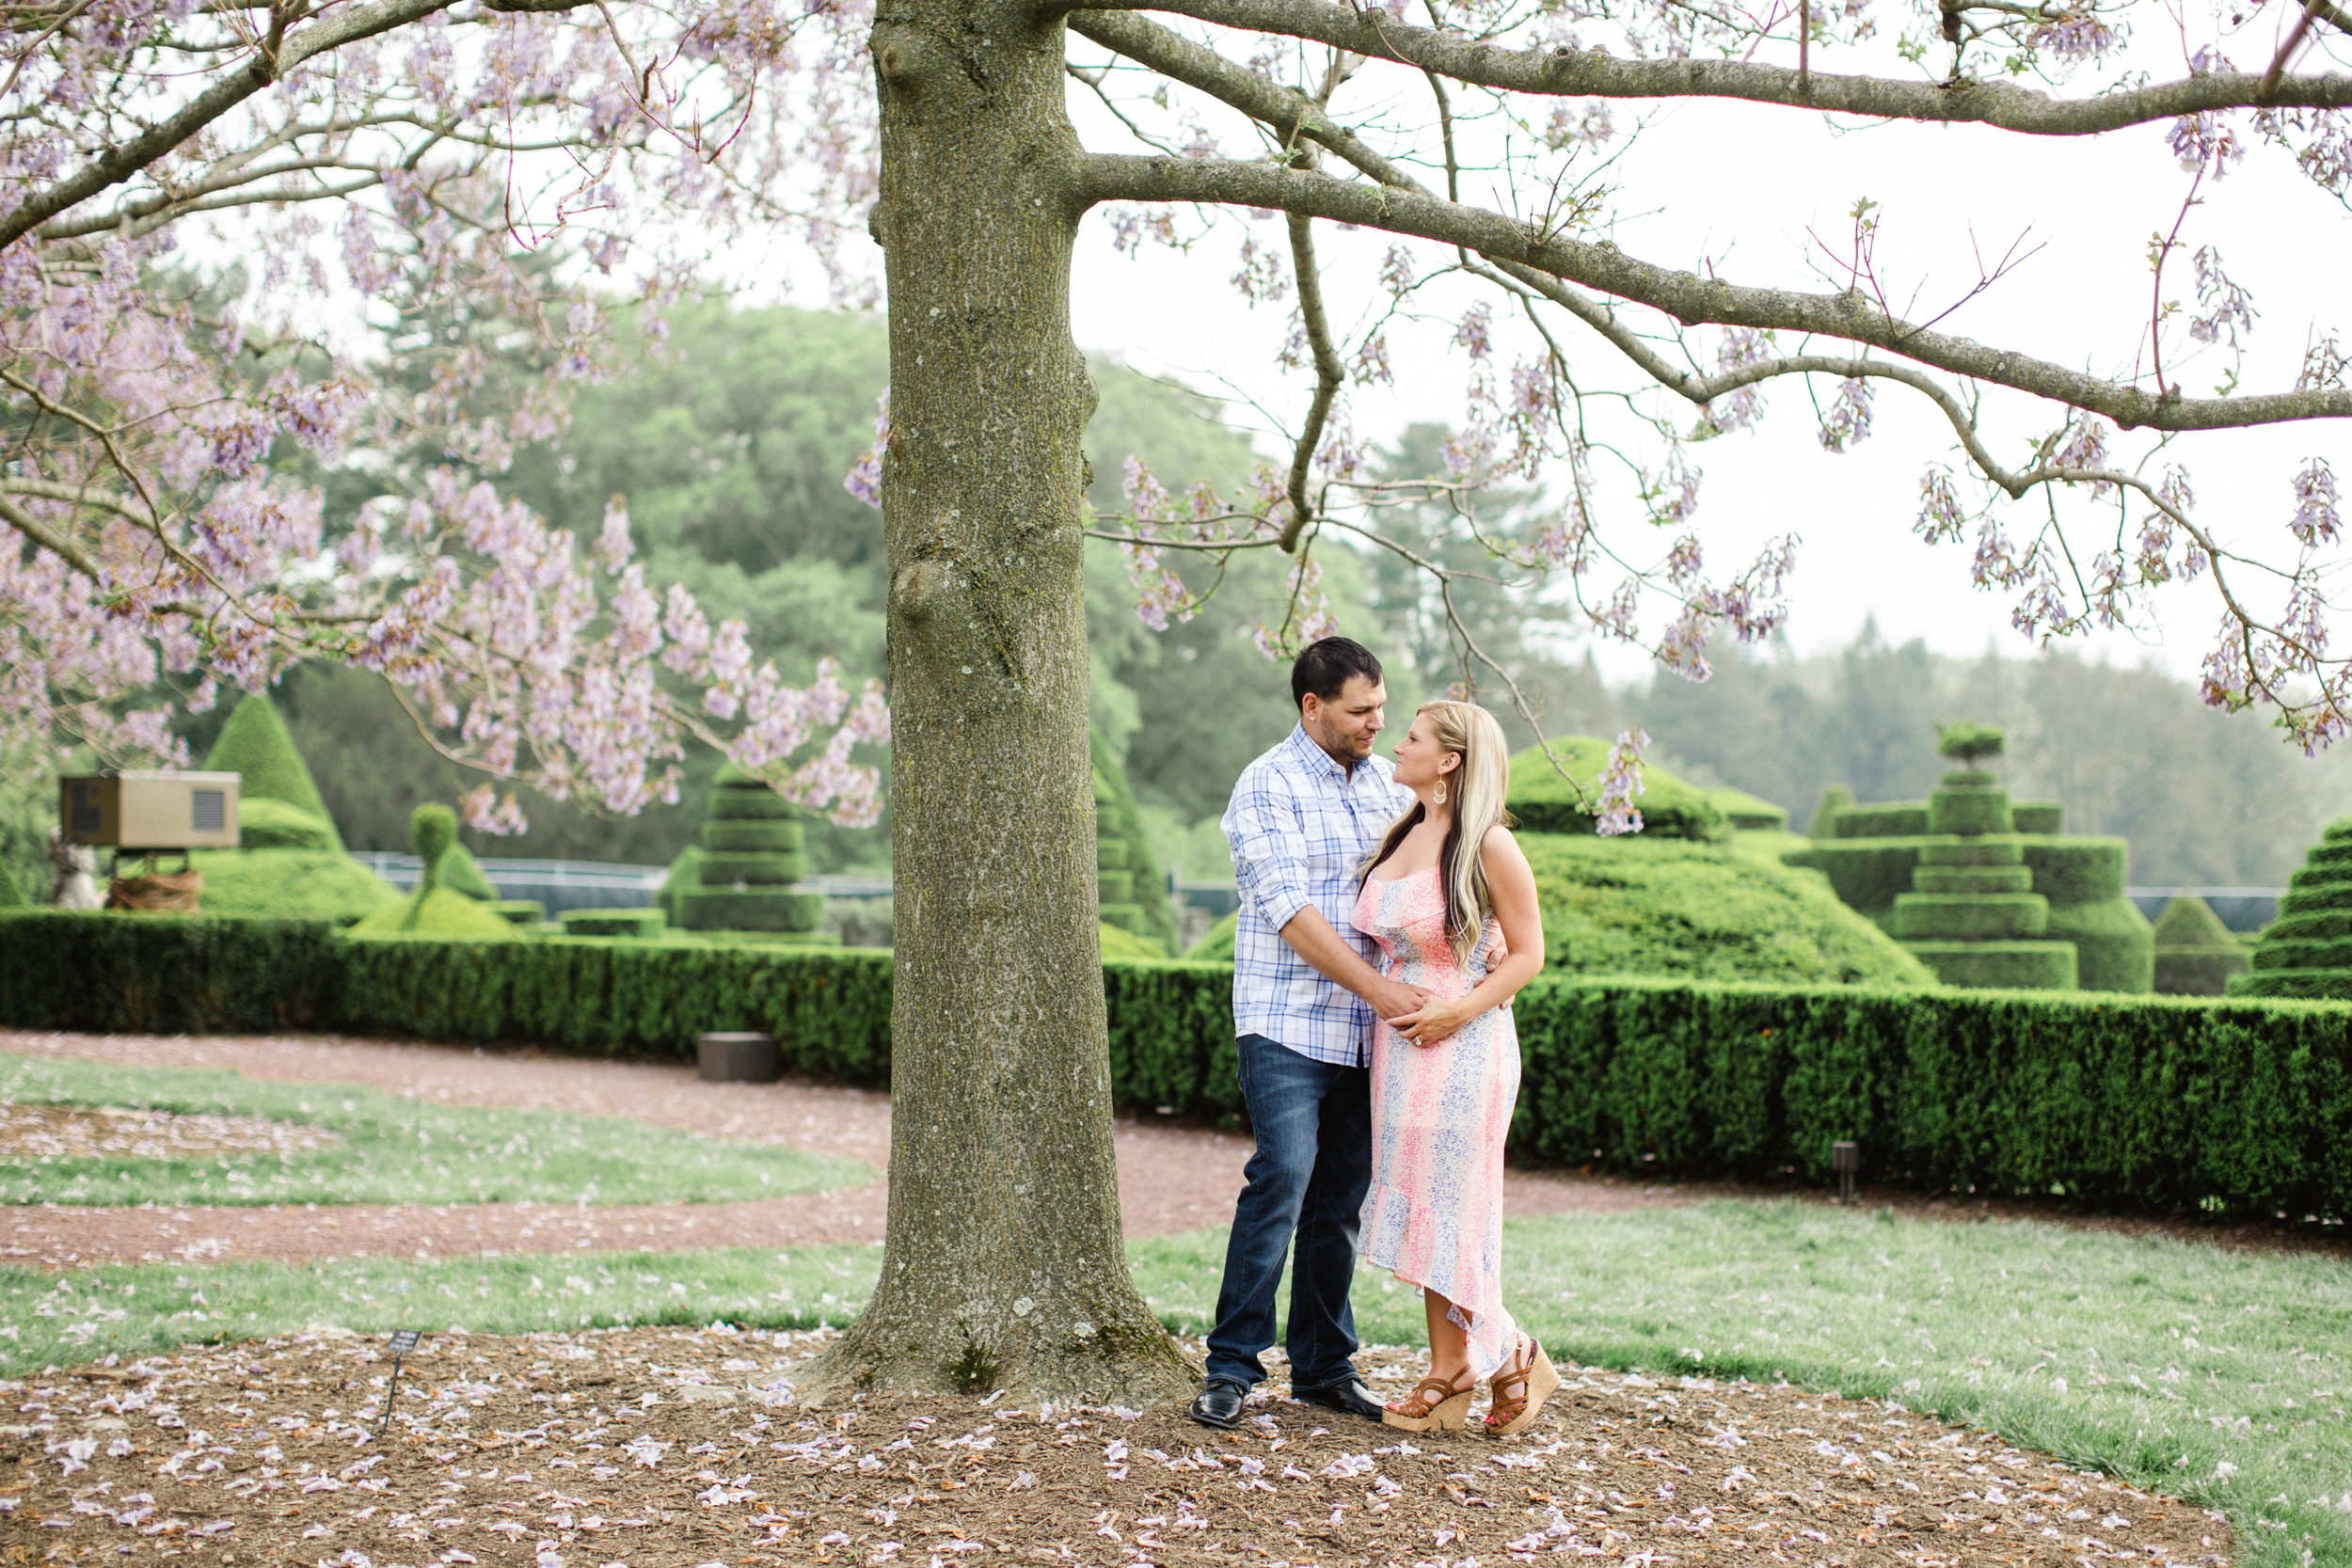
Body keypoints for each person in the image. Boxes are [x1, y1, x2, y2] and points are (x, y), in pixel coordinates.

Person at [1189, 637, 1424, 1432]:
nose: (1377, 723)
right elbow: (1291, 913)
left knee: (1342, 1200)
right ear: (1312, 707)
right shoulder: (1266, 784)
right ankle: (1231, 1366)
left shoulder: (1394, 787)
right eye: (1361, 711)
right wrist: (1384, 991)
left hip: (1371, 1033)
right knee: (1283, 1174)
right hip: (1286, 1019)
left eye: (1383, 708)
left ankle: (1323, 1366)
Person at [1353, 700, 1556, 1435]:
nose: (1393, 745)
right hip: (1399, 1055)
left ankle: (1470, 1365)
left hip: (1467, 1047)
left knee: (1456, 1210)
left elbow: (1529, 954)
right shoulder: (1401, 831)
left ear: (1448, 761)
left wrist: (1456, 1011)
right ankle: (1489, 1360)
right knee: (1426, 1208)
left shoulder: (1489, 845)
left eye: (1409, 738)